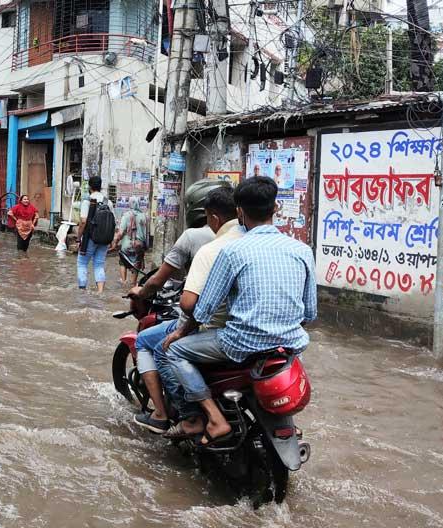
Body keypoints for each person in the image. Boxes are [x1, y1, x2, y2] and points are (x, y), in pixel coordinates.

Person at [163, 176, 317, 449]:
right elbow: (310, 313)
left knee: (175, 351)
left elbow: (204, 311)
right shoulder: (302, 250)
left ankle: (212, 419)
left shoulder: (232, 250)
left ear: (239, 212)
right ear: (276, 209)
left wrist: (179, 333)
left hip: (240, 343)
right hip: (289, 345)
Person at [126, 181, 222, 433]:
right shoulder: (244, 237)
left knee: (149, 343)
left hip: (202, 322)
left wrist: (140, 291)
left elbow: (159, 279)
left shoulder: (193, 236)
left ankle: (164, 414)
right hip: (234, 325)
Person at [76, 177, 115, 293]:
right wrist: (112, 240)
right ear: (100, 186)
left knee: (82, 263)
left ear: (90, 187)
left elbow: (83, 222)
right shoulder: (109, 202)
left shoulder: (87, 201)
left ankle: (82, 291)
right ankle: (100, 292)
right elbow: (113, 223)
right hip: (105, 239)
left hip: (90, 238)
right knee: (99, 265)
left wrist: (79, 238)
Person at [111, 200, 148, 287]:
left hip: (126, 245)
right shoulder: (144, 216)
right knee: (137, 263)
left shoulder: (126, 215)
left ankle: (124, 282)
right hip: (139, 246)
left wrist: (115, 243)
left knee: (122, 262)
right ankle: (133, 284)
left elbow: (120, 233)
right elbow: (146, 234)